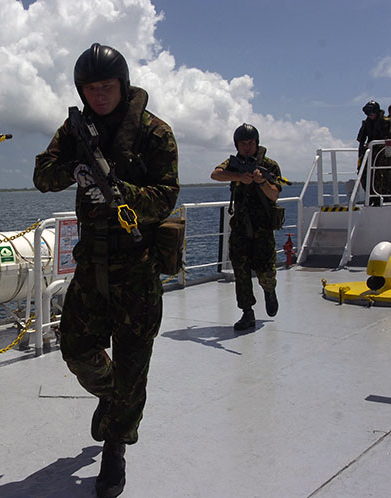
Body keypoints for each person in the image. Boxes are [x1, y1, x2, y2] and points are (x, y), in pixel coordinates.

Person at [34, 43, 179, 498]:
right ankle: (110, 397)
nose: (99, 95)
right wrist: (77, 169)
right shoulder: (77, 128)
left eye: (107, 86)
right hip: (91, 265)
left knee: (133, 367)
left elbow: (165, 198)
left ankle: (115, 446)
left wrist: (119, 190)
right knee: (75, 349)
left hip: (137, 269)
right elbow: (42, 175)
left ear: (123, 85)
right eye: (91, 88)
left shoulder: (155, 134)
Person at [210, 124, 282, 331]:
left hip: (263, 226)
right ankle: (247, 312)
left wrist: (261, 182)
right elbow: (215, 174)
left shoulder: (270, 165)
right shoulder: (233, 164)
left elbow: (275, 194)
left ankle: (269, 291)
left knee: (266, 268)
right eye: (243, 143)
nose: (247, 147)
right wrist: (239, 177)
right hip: (241, 225)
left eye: (250, 143)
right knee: (240, 270)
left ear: (257, 143)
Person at [356, 100, 391, 204]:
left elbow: (388, 138)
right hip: (371, 152)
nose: (369, 115)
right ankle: (372, 196)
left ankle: (384, 195)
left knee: (382, 173)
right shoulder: (367, 123)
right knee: (363, 173)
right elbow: (361, 139)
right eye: (367, 113)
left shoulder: (387, 122)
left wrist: (374, 143)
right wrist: (361, 154)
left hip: (384, 153)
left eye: (371, 113)